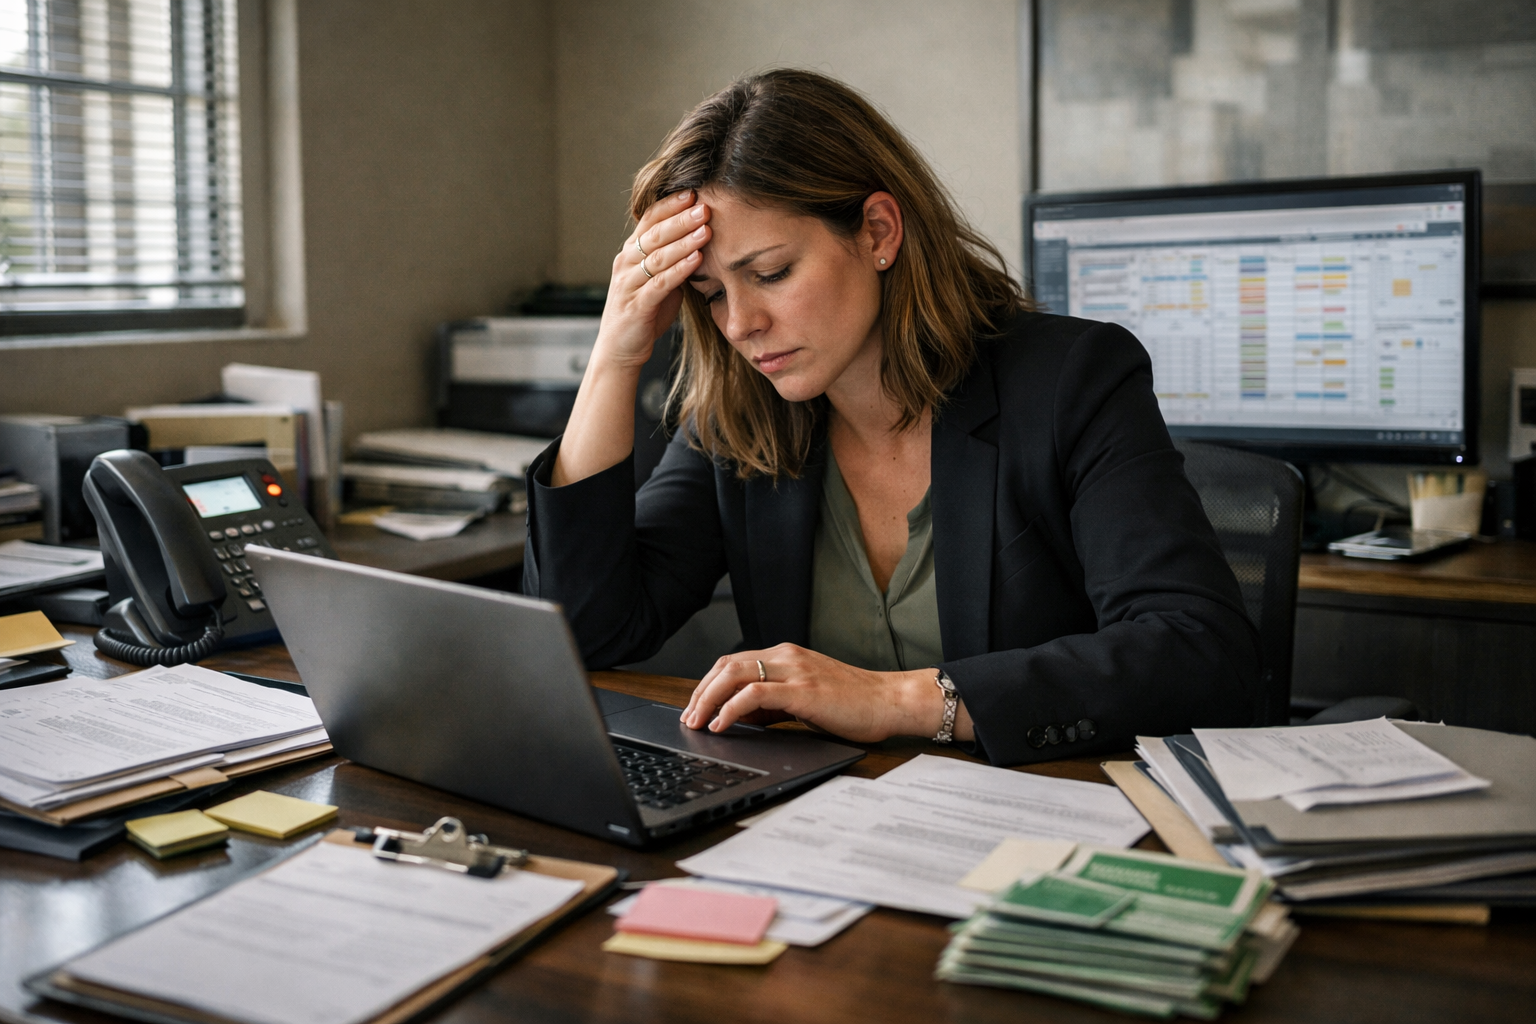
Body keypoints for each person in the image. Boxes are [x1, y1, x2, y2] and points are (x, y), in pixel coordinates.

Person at [522, 69, 1261, 766]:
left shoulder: (1072, 380)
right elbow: (586, 629)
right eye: (712, 293)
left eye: (771, 273)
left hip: (1043, 818)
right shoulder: (739, 419)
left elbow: (1198, 654)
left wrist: (899, 700)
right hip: (823, 828)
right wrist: (615, 356)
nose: (739, 324)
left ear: (878, 232)